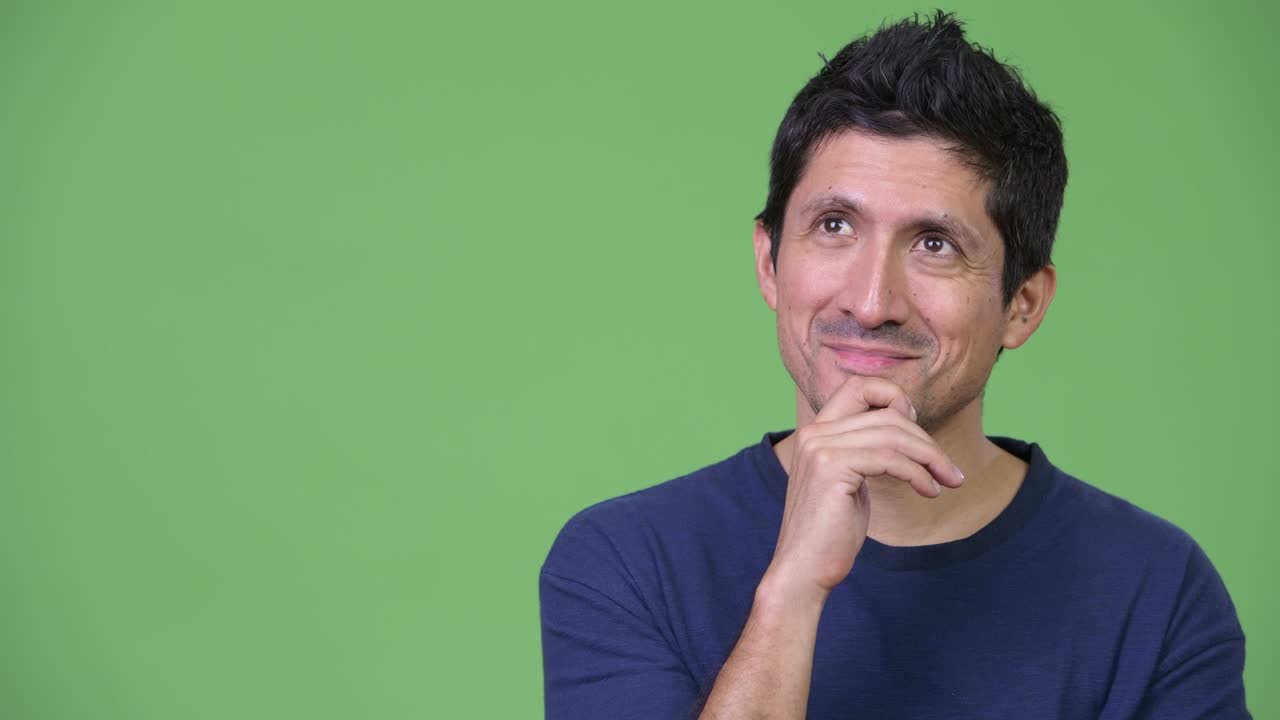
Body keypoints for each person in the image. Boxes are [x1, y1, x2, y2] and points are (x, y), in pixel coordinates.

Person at [538, 11, 1251, 719]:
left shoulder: (1156, 592)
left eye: (935, 243)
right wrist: (793, 590)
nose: (873, 301)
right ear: (769, 263)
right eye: (835, 226)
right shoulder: (624, 563)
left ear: (1023, 305)